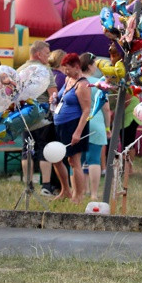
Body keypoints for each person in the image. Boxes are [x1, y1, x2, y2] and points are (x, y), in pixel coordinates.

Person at [18, 41, 61, 197]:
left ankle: (28, 185)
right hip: (42, 114)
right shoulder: (45, 71)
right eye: (46, 54)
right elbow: (53, 95)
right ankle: (46, 185)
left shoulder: (21, 70)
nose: (48, 57)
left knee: (26, 149)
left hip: (24, 115)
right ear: (38, 54)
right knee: (43, 148)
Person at [54, 52, 91, 203]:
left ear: (77, 67)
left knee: (74, 161)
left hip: (75, 125)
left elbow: (86, 110)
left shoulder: (82, 84)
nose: (65, 72)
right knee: (59, 158)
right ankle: (65, 190)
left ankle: (78, 196)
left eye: (68, 69)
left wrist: (78, 132)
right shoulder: (68, 79)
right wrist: (54, 97)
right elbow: (63, 97)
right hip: (60, 124)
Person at [80, 52, 111, 201]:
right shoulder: (99, 83)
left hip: (79, 123)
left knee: (80, 159)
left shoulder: (77, 82)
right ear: (91, 66)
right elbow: (105, 108)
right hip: (97, 122)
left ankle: (82, 189)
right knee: (94, 159)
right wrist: (107, 127)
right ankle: (93, 193)